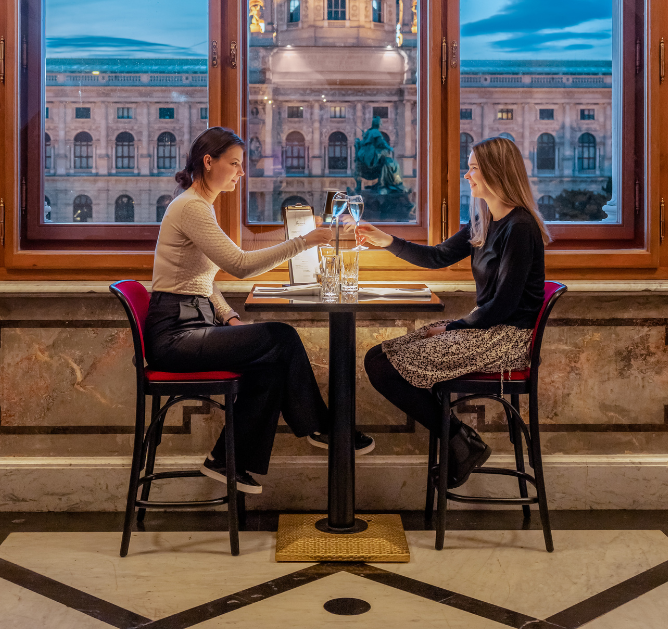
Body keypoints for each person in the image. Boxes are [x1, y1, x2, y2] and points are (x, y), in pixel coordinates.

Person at [145, 127, 375, 495]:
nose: (241, 172)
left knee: (269, 364)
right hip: (175, 335)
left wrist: (228, 317)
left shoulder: (198, 206)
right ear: (209, 162)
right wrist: (303, 241)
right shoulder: (191, 207)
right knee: (281, 337)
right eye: (234, 164)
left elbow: (202, 279)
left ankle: (227, 461)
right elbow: (239, 264)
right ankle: (323, 427)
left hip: (191, 323)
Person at [353, 136, 548, 489]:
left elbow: (504, 304)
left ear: (495, 172)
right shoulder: (486, 220)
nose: (466, 174)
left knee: (382, 365)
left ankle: (461, 441)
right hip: (485, 329)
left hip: (507, 339)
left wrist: (455, 327)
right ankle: (462, 440)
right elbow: (437, 257)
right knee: (378, 358)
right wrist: (387, 241)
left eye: (473, 167)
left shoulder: (520, 227)